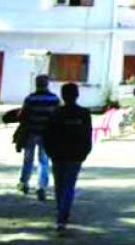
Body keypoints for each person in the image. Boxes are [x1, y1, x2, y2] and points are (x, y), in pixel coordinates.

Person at [43, 83, 92, 234]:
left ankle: (61, 211)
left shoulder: (56, 113)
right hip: (75, 155)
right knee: (68, 186)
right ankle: (63, 215)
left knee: (59, 185)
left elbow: (47, 135)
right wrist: (84, 153)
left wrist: (50, 152)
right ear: (77, 95)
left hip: (58, 155)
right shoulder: (83, 113)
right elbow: (87, 135)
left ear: (63, 96)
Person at [17, 74, 60, 200]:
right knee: (44, 161)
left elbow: (22, 115)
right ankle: (41, 187)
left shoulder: (30, 98)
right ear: (47, 84)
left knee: (28, 159)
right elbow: (58, 115)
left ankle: (24, 183)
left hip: (31, 133)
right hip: (47, 135)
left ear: (36, 84)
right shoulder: (54, 99)